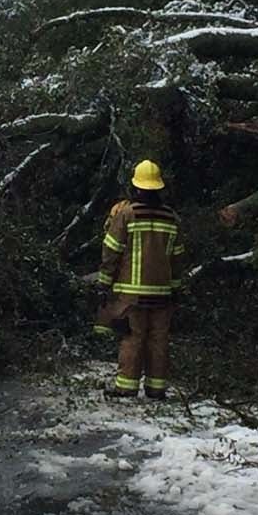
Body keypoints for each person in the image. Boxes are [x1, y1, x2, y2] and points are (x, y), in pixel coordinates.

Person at [94, 159, 185, 400]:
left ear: (136, 187)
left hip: (131, 294)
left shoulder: (127, 214)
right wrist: (176, 288)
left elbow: (111, 251)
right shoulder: (171, 218)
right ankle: (156, 388)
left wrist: (104, 284)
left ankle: (126, 387)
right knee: (158, 340)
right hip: (163, 294)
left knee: (132, 338)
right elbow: (177, 258)